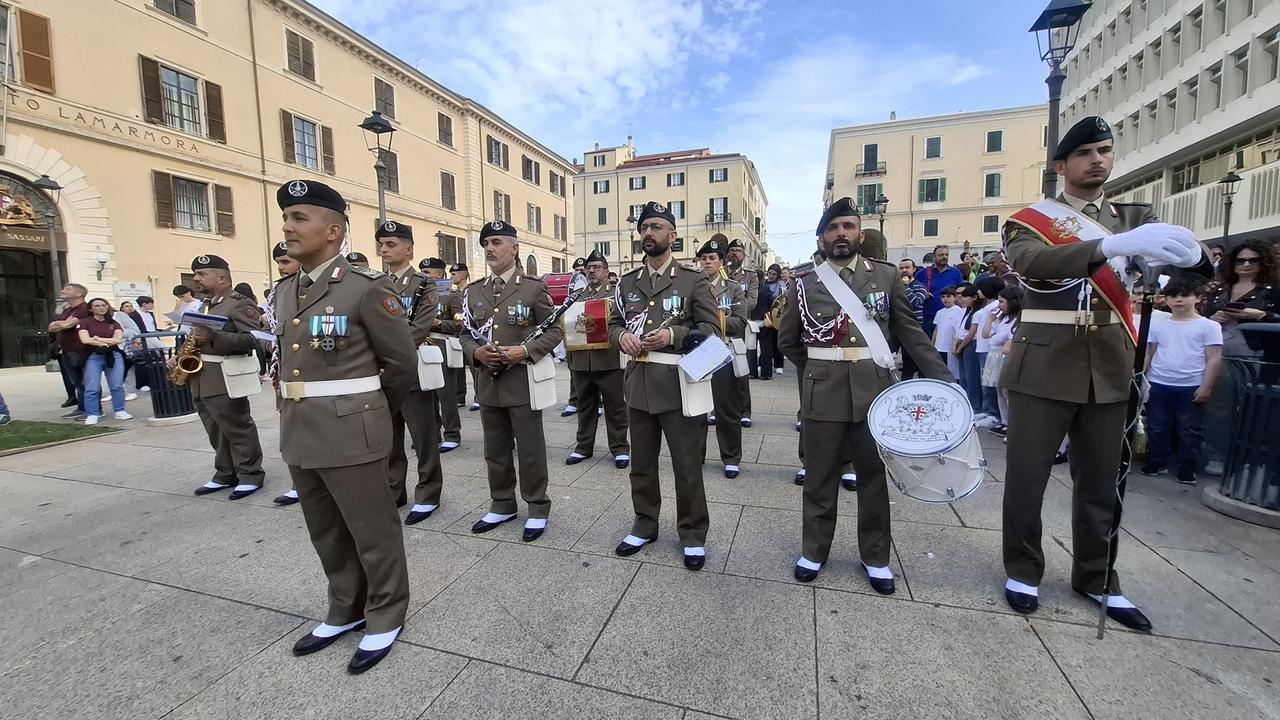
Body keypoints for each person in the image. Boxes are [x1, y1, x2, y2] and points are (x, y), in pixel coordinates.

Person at [999, 115, 1210, 631]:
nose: (1098, 160)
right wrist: (1109, 249)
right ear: (1061, 165)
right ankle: (1023, 569)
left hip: (1111, 365)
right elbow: (1036, 265)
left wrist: (1191, 254)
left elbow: (1192, 269)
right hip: (1045, 363)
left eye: (1105, 151)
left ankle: (1098, 577)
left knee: (1102, 480)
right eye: (1086, 152)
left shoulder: (1130, 219)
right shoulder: (1029, 221)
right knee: (1027, 479)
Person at [274, 179, 415, 674]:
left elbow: (400, 367)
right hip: (301, 428)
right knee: (326, 530)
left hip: (351, 428)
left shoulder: (366, 290)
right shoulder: (286, 290)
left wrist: (369, 413)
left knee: (371, 530)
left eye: (299, 218)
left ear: (332, 231)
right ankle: (344, 607)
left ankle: (386, 611)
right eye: (286, 217)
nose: (288, 227)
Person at [779, 197, 951, 589]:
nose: (842, 234)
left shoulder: (885, 277)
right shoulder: (805, 283)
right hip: (823, 394)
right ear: (821, 237)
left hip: (875, 394)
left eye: (849, 226)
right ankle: (814, 550)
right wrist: (818, 371)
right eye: (833, 227)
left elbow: (911, 335)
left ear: (860, 232)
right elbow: (789, 341)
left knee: (872, 478)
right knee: (820, 477)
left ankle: (875, 556)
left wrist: (945, 380)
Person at [608, 201, 720, 570]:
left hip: (678, 385)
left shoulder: (693, 280)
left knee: (686, 465)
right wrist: (621, 335)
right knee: (641, 463)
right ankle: (645, 523)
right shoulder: (627, 283)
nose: (649, 234)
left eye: (657, 227)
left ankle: (691, 532)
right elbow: (610, 324)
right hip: (638, 384)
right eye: (644, 228)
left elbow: (712, 330)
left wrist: (674, 333)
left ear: (673, 235)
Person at [460, 220, 563, 542]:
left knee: (530, 449)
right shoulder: (473, 290)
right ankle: (502, 503)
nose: (490, 249)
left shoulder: (532, 288)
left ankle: (536, 506)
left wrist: (525, 350)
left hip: (521, 381)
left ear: (514, 248)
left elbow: (555, 330)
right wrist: (476, 354)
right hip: (488, 383)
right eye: (486, 243)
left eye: (497, 242)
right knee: (495, 449)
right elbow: (465, 334)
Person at [178, 254, 269, 500]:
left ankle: (250, 474)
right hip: (201, 375)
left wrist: (214, 337)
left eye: (202, 274)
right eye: (195, 274)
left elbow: (255, 339)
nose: (196, 279)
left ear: (222, 278)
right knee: (215, 429)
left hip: (225, 375)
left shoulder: (239, 303)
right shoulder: (205, 303)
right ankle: (225, 473)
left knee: (237, 427)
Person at [375, 220, 446, 525]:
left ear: (409, 249)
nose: (384, 249)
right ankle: (395, 490)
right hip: (382, 373)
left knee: (423, 438)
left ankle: (428, 494)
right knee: (389, 438)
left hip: (411, 371)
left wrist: (389, 356)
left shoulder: (423, 284)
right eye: (381, 244)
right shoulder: (376, 283)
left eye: (391, 244)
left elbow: (419, 328)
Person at [1140, 276, 1223, 485]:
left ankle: (1187, 467)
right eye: (1173, 295)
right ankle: (1156, 461)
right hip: (1158, 382)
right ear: (1165, 299)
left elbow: (1213, 358)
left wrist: (1206, 386)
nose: (1178, 300)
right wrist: (1141, 377)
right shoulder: (1158, 323)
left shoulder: (1209, 326)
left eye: (1184, 295)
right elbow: (1150, 352)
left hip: (1190, 384)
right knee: (1157, 426)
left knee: (1190, 429)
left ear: (1198, 298)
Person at [564, 249, 630, 468]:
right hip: (582, 361)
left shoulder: (615, 294)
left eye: (597, 267)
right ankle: (583, 446)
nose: (592, 271)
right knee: (585, 407)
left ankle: (620, 448)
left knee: (615, 407)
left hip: (608, 360)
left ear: (606, 271)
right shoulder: (577, 296)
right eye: (589, 268)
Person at [696, 238, 748, 478]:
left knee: (727, 409)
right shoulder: (693, 284)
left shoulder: (733, 287)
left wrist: (715, 320)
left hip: (723, 351)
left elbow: (741, 321)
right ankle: (697, 454)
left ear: (721, 261)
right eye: (704, 258)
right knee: (697, 409)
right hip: (698, 351)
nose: (707, 262)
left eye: (712, 258)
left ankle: (731, 457)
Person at [263, 241, 305, 507]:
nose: (281, 267)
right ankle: (299, 483)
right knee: (291, 433)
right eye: (278, 262)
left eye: (287, 261)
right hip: (286, 373)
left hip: (316, 377)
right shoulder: (277, 292)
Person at [421, 257, 463, 453]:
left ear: (439, 273)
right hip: (422, 345)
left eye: (428, 271)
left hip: (441, 344)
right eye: (422, 271)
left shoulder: (451, 295)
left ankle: (452, 434)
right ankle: (432, 434)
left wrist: (438, 324)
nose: (424, 274)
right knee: (426, 395)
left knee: (445, 394)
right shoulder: (419, 293)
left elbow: (460, 324)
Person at [77, 298, 133, 425]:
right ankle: (92, 413)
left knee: (117, 385)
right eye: (97, 306)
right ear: (91, 309)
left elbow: (118, 340)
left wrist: (98, 339)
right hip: (93, 355)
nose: (101, 308)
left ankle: (120, 410)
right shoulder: (85, 322)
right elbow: (85, 340)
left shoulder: (113, 323)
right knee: (92, 386)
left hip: (113, 355)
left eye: (103, 305)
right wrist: (107, 341)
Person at [981, 286, 1023, 437]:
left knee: (1006, 392)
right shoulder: (1003, 319)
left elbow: (1005, 342)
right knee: (998, 391)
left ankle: (1012, 424)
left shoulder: (1018, 320)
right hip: (994, 355)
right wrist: (990, 319)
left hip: (1004, 357)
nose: (999, 305)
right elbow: (985, 334)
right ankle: (1004, 421)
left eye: (1002, 302)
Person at [726, 239, 759, 427]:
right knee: (718, 369)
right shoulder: (720, 274)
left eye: (738, 251)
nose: (734, 254)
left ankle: (744, 411)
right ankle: (717, 409)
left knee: (741, 371)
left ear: (744, 255)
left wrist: (733, 312)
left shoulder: (750, 277)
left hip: (740, 327)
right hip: (720, 326)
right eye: (731, 251)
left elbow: (752, 300)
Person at [50, 283, 92, 419]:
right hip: (66, 350)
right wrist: (62, 324)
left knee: (86, 380)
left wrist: (63, 324)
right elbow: (51, 327)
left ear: (79, 294)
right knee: (76, 381)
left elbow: (68, 324)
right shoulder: (67, 310)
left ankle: (92, 409)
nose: (62, 290)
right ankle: (82, 407)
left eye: (68, 289)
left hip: (79, 350)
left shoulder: (84, 309)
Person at [914, 245, 963, 337]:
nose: (944, 257)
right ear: (934, 257)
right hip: (929, 316)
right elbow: (913, 291)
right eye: (941, 255)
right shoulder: (922, 274)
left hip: (950, 316)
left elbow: (961, 291)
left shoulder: (955, 272)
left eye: (946, 254)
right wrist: (923, 295)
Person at [451, 262, 477, 411]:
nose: (451, 277)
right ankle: (460, 396)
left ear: (462, 275)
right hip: (457, 333)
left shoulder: (472, 290)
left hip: (471, 333)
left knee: (474, 367)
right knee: (458, 367)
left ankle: (478, 397)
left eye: (454, 274)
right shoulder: (453, 293)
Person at [753, 264, 783, 380]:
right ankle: (766, 373)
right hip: (765, 320)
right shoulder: (765, 289)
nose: (771, 276)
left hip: (752, 321)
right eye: (769, 273)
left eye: (774, 274)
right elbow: (773, 303)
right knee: (766, 347)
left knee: (752, 348)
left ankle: (752, 371)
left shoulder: (748, 289)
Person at [931, 285, 963, 380]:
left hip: (950, 348)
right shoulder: (939, 312)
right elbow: (937, 330)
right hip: (939, 347)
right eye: (943, 297)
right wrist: (932, 345)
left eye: (948, 296)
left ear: (955, 297)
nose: (945, 299)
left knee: (952, 374)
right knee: (940, 374)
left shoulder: (959, 311)